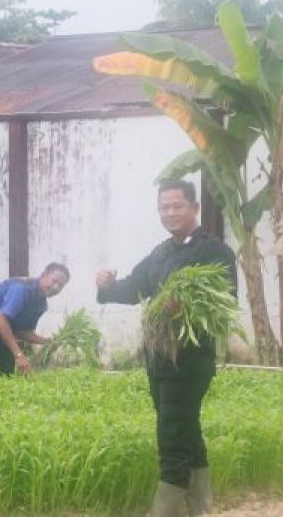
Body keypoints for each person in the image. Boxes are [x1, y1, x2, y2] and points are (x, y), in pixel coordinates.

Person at [95, 179, 236, 517]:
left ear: (194, 208)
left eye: (177, 206)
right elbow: (134, 288)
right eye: (164, 207)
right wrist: (107, 285)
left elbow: (225, 303)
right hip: (159, 360)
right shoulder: (162, 252)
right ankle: (199, 506)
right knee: (185, 428)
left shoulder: (213, 251)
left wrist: (185, 309)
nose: (170, 213)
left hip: (189, 360)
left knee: (171, 434)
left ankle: (166, 511)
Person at [0, 262, 70, 382]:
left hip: (1, 334)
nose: (56, 287)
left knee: (6, 377)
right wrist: (19, 355)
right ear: (44, 275)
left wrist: (45, 342)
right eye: (54, 281)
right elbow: (2, 320)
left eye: (61, 285)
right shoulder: (21, 289)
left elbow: (22, 331)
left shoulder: (41, 305)